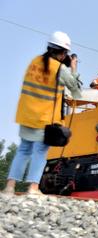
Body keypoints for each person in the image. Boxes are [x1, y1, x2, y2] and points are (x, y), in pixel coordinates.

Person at [2, 31, 82, 195]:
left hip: (26, 114)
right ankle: (33, 187)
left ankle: (10, 186)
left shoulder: (34, 61)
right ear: (63, 53)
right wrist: (73, 67)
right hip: (43, 118)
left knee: (23, 149)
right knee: (40, 152)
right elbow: (76, 92)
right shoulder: (60, 69)